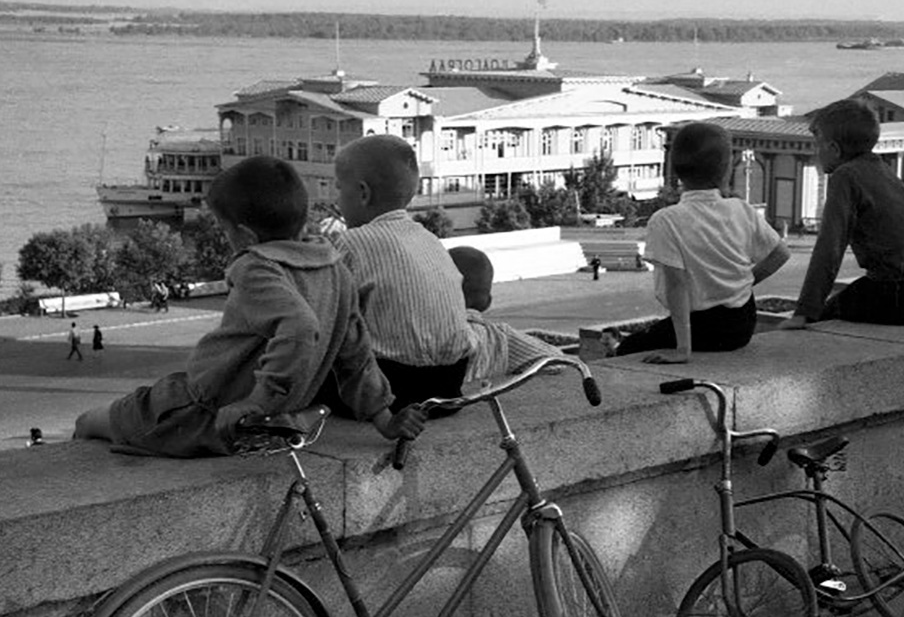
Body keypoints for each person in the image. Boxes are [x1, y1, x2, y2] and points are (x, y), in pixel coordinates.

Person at [73, 155, 426, 458]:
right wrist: (384, 418)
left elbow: (300, 327)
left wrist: (256, 401)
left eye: (224, 231)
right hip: (272, 414)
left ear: (244, 235)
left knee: (88, 422)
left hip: (199, 411)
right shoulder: (334, 268)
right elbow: (356, 357)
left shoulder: (256, 266)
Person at [614, 121, 790, 363]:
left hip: (704, 327)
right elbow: (780, 254)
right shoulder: (740, 209)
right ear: (727, 169)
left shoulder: (666, 220)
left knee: (627, 349)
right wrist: (745, 284)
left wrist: (683, 350)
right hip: (743, 323)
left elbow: (677, 286)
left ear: (676, 170)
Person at [331, 135, 474, 409]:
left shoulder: (352, 242)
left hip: (393, 387)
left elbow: (328, 318)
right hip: (449, 384)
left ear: (363, 193)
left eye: (339, 189)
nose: (337, 200)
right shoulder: (428, 239)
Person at [779, 100, 904, 328]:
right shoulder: (882, 169)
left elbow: (829, 248)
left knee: (824, 317)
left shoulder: (845, 176)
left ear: (834, 150)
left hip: (898, 294)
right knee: (850, 297)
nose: (816, 153)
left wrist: (804, 312)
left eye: (818, 145)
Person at [447, 245, 562, 385]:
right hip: (478, 401)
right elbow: (556, 361)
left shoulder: (424, 330)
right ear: (487, 302)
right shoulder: (499, 337)